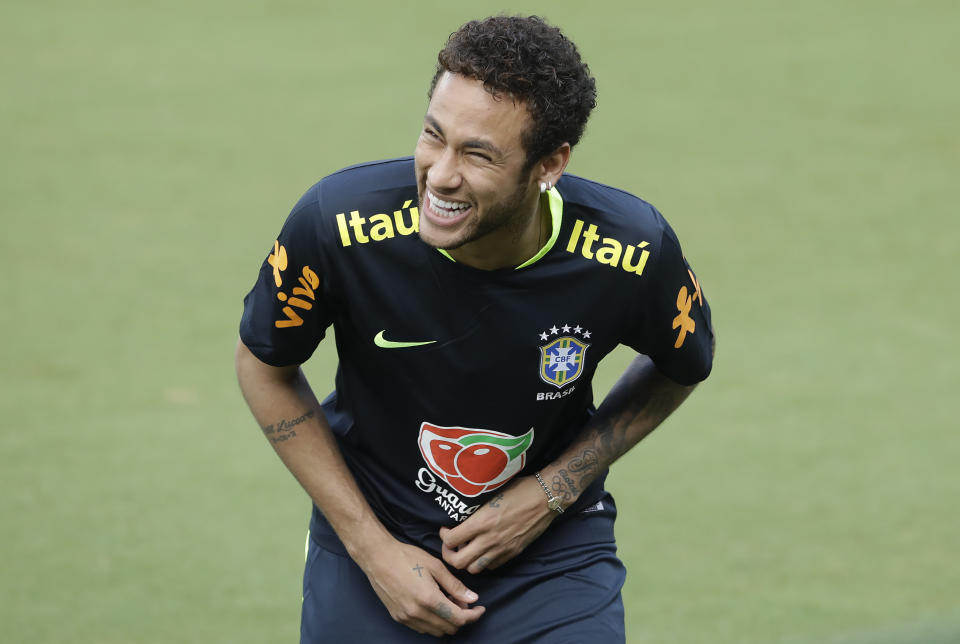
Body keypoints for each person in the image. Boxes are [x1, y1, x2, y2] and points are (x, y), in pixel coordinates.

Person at [236, 14, 714, 643]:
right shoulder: (337, 224)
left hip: (551, 558)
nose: (439, 175)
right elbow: (263, 364)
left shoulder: (631, 249)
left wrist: (552, 490)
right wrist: (371, 549)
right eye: (434, 136)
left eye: (478, 154)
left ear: (550, 163)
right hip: (374, 540)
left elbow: (682, 366)